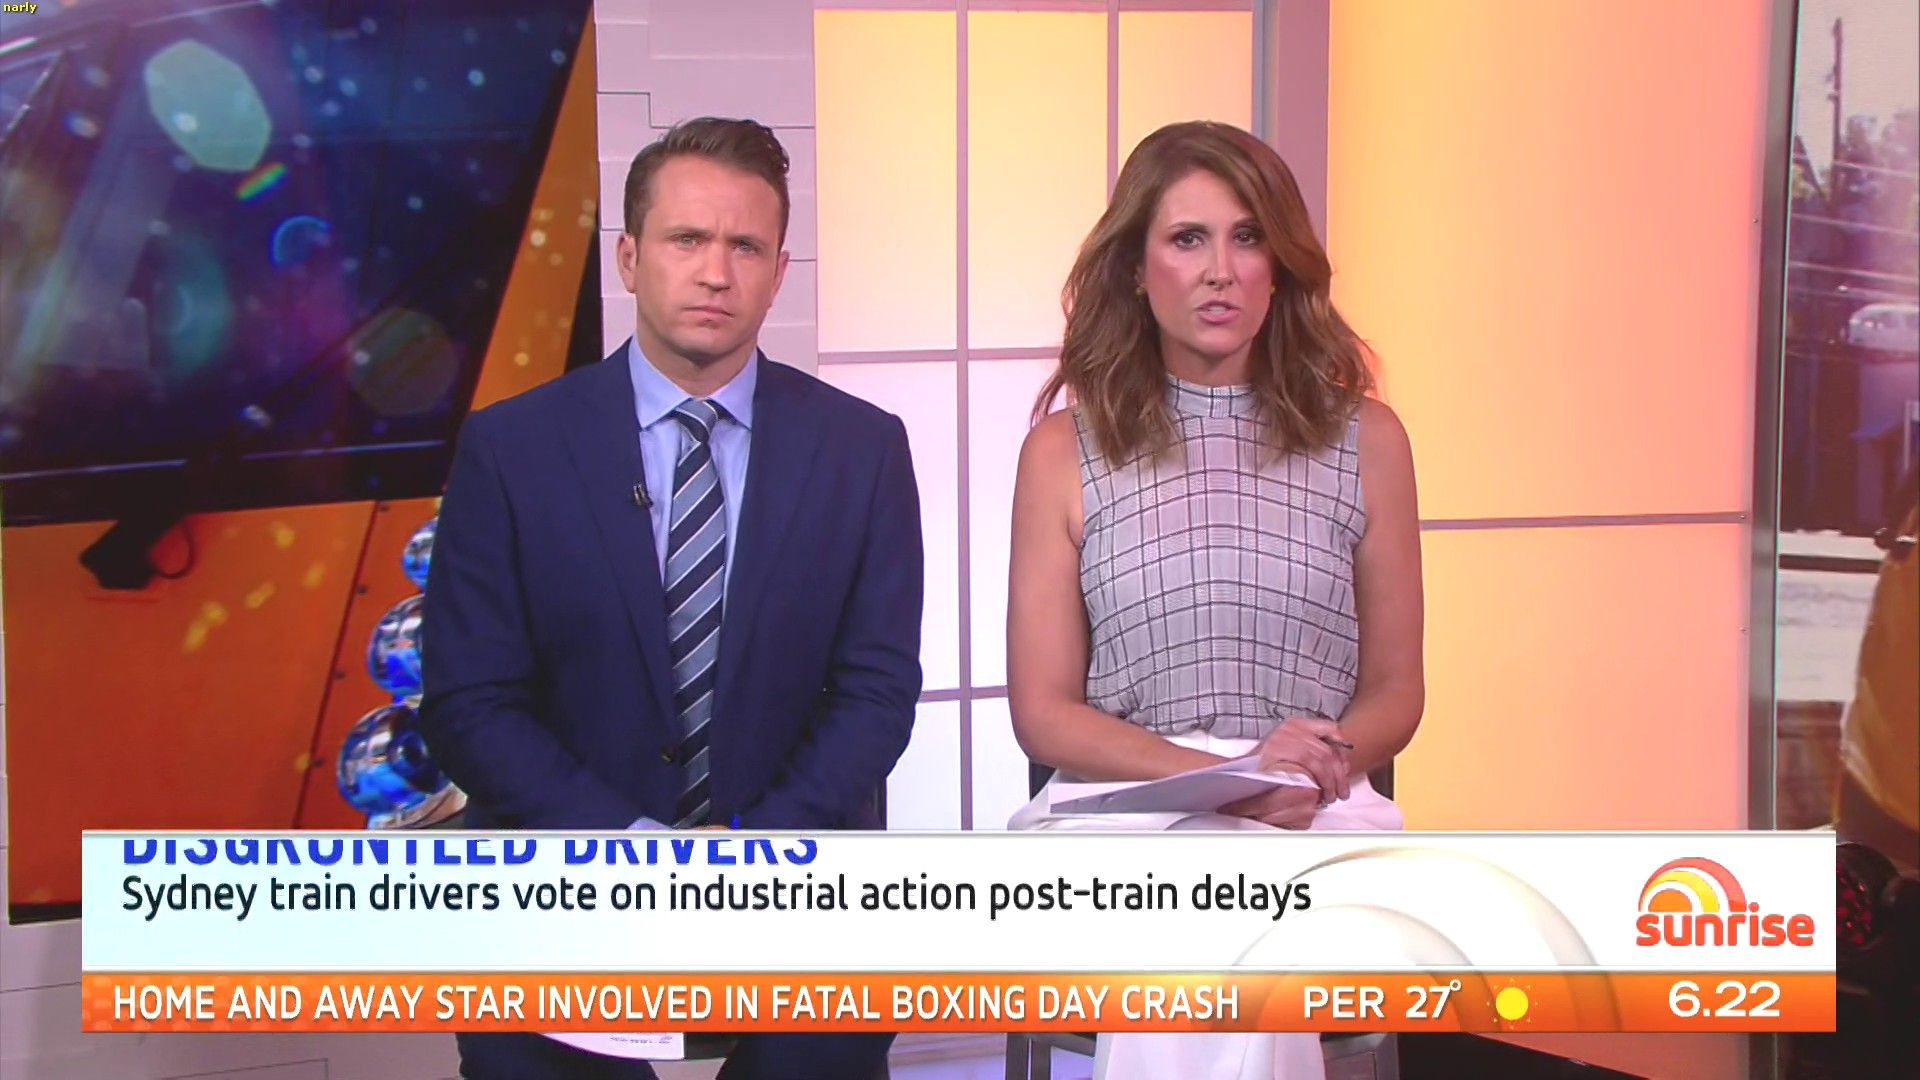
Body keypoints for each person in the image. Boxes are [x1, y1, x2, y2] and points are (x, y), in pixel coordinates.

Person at [420, 117, 923, 1080]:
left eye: (746, 247)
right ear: (629, 258)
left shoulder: (862, 450)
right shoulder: (511, 449)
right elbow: (469, 705)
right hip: (561, 877)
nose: (715, 273)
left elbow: (877, 694)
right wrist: (631, 853)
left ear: (779, 273)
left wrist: (748, 858)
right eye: (687, 239)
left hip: (792, 877)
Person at [1005, 120, 1424, 1079]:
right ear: (1135, 268)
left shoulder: (1371, 441)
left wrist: (1304, 774)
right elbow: (1044, 713)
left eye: (1247, 238)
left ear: (1281, 267)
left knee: (1226, 904)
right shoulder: (1062, 453)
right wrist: (1222, 774)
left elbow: (1398, 690)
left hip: (1316, 804)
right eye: (1188, 239)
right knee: (1214, 900)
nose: (1220, 271)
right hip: (1119, 813)